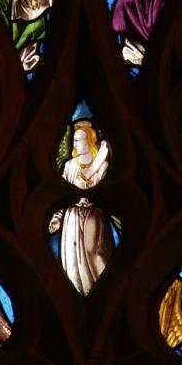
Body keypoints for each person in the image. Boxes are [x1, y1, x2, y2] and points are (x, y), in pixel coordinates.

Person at [50, 121, 113, 295]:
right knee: (72, 262)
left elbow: (89, 188)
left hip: (93, 214)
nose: (75, 143)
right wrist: (57, 218)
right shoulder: (70, 166)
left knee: (95, 253)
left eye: (79, 140)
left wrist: (97, 163)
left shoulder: (103, 166)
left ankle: (104, 292)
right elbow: (62, 194)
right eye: (74, 140)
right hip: (72, 218)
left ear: (90, 141)